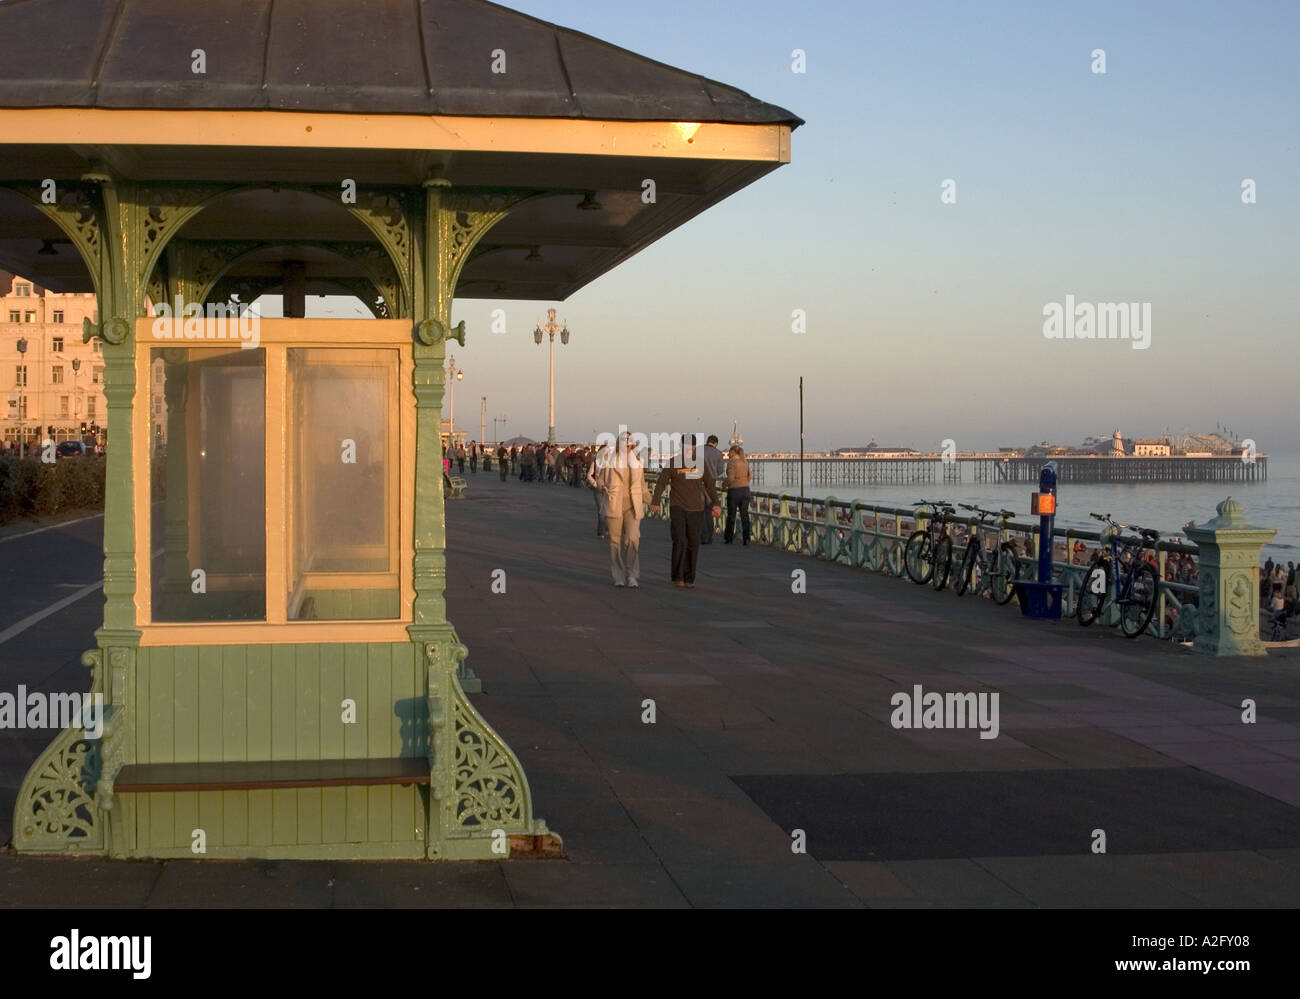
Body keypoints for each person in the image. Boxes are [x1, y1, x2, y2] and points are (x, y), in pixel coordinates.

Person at [650, 433, 721, 588]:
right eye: (686, 446)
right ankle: (678, 576)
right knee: (680, 540)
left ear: (695, 447)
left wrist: (716, 503)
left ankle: (689, 578)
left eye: (692, 446)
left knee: (693, 543)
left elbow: (710, 485)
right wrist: (655, 501)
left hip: (696, 508)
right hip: (678, 506)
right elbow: (661, 483)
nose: (689, 449)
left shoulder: (700, 463)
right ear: (681, 446)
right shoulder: (673, 462)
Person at [593, 430, 652, 587]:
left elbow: (643, 486)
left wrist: (652, 502)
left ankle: (632, 574)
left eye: (629, 441)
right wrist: (603, 487)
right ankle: (618, 576)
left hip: (633, 505)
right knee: (615, 542)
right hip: (615, 503)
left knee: (632, 539)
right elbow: (599, 480)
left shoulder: (637, 463)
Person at [699, 434, 727, 545]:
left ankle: (702, 536)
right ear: (715, 443)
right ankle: (709, 536)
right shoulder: (719, 454)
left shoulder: (698, 450)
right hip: (711, 484)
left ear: (708, 441)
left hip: (698, 483)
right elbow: (720, 470)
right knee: (709, 510)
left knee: (700, 510)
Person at [723, 444, 752, 544]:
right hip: (745, 490)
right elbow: (749, 476)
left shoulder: (731, 462)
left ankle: (729, 538)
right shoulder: (744, 461)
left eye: (729, 452)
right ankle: (746, 538)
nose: (728, 455)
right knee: (744, 515)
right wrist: (743, 482)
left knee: (731, 515)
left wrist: (724, 484)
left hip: (735, 491)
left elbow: (730, 478)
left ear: (732, 452)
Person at [586, 443, 610, 539]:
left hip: (609, 490)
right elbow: (589, 475)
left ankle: (607, 528)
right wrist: (595, 484)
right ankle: (601, 531)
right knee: (601, 511)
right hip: (599, 490)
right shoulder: (596, 463)